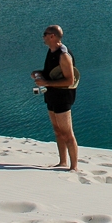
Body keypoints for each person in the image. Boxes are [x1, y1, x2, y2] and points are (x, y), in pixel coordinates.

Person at [33, 25, 79, 170]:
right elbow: (50, 72)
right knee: (57, 130)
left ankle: (74, 167)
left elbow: (70, 80)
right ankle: (62, 161)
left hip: (63, 97)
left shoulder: (63, 55)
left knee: (67, 132)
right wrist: (38, 74)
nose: (43, 37)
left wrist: (46, 83)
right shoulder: (51, 51)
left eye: (45, 34)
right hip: (51, 94)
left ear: (52, 36)